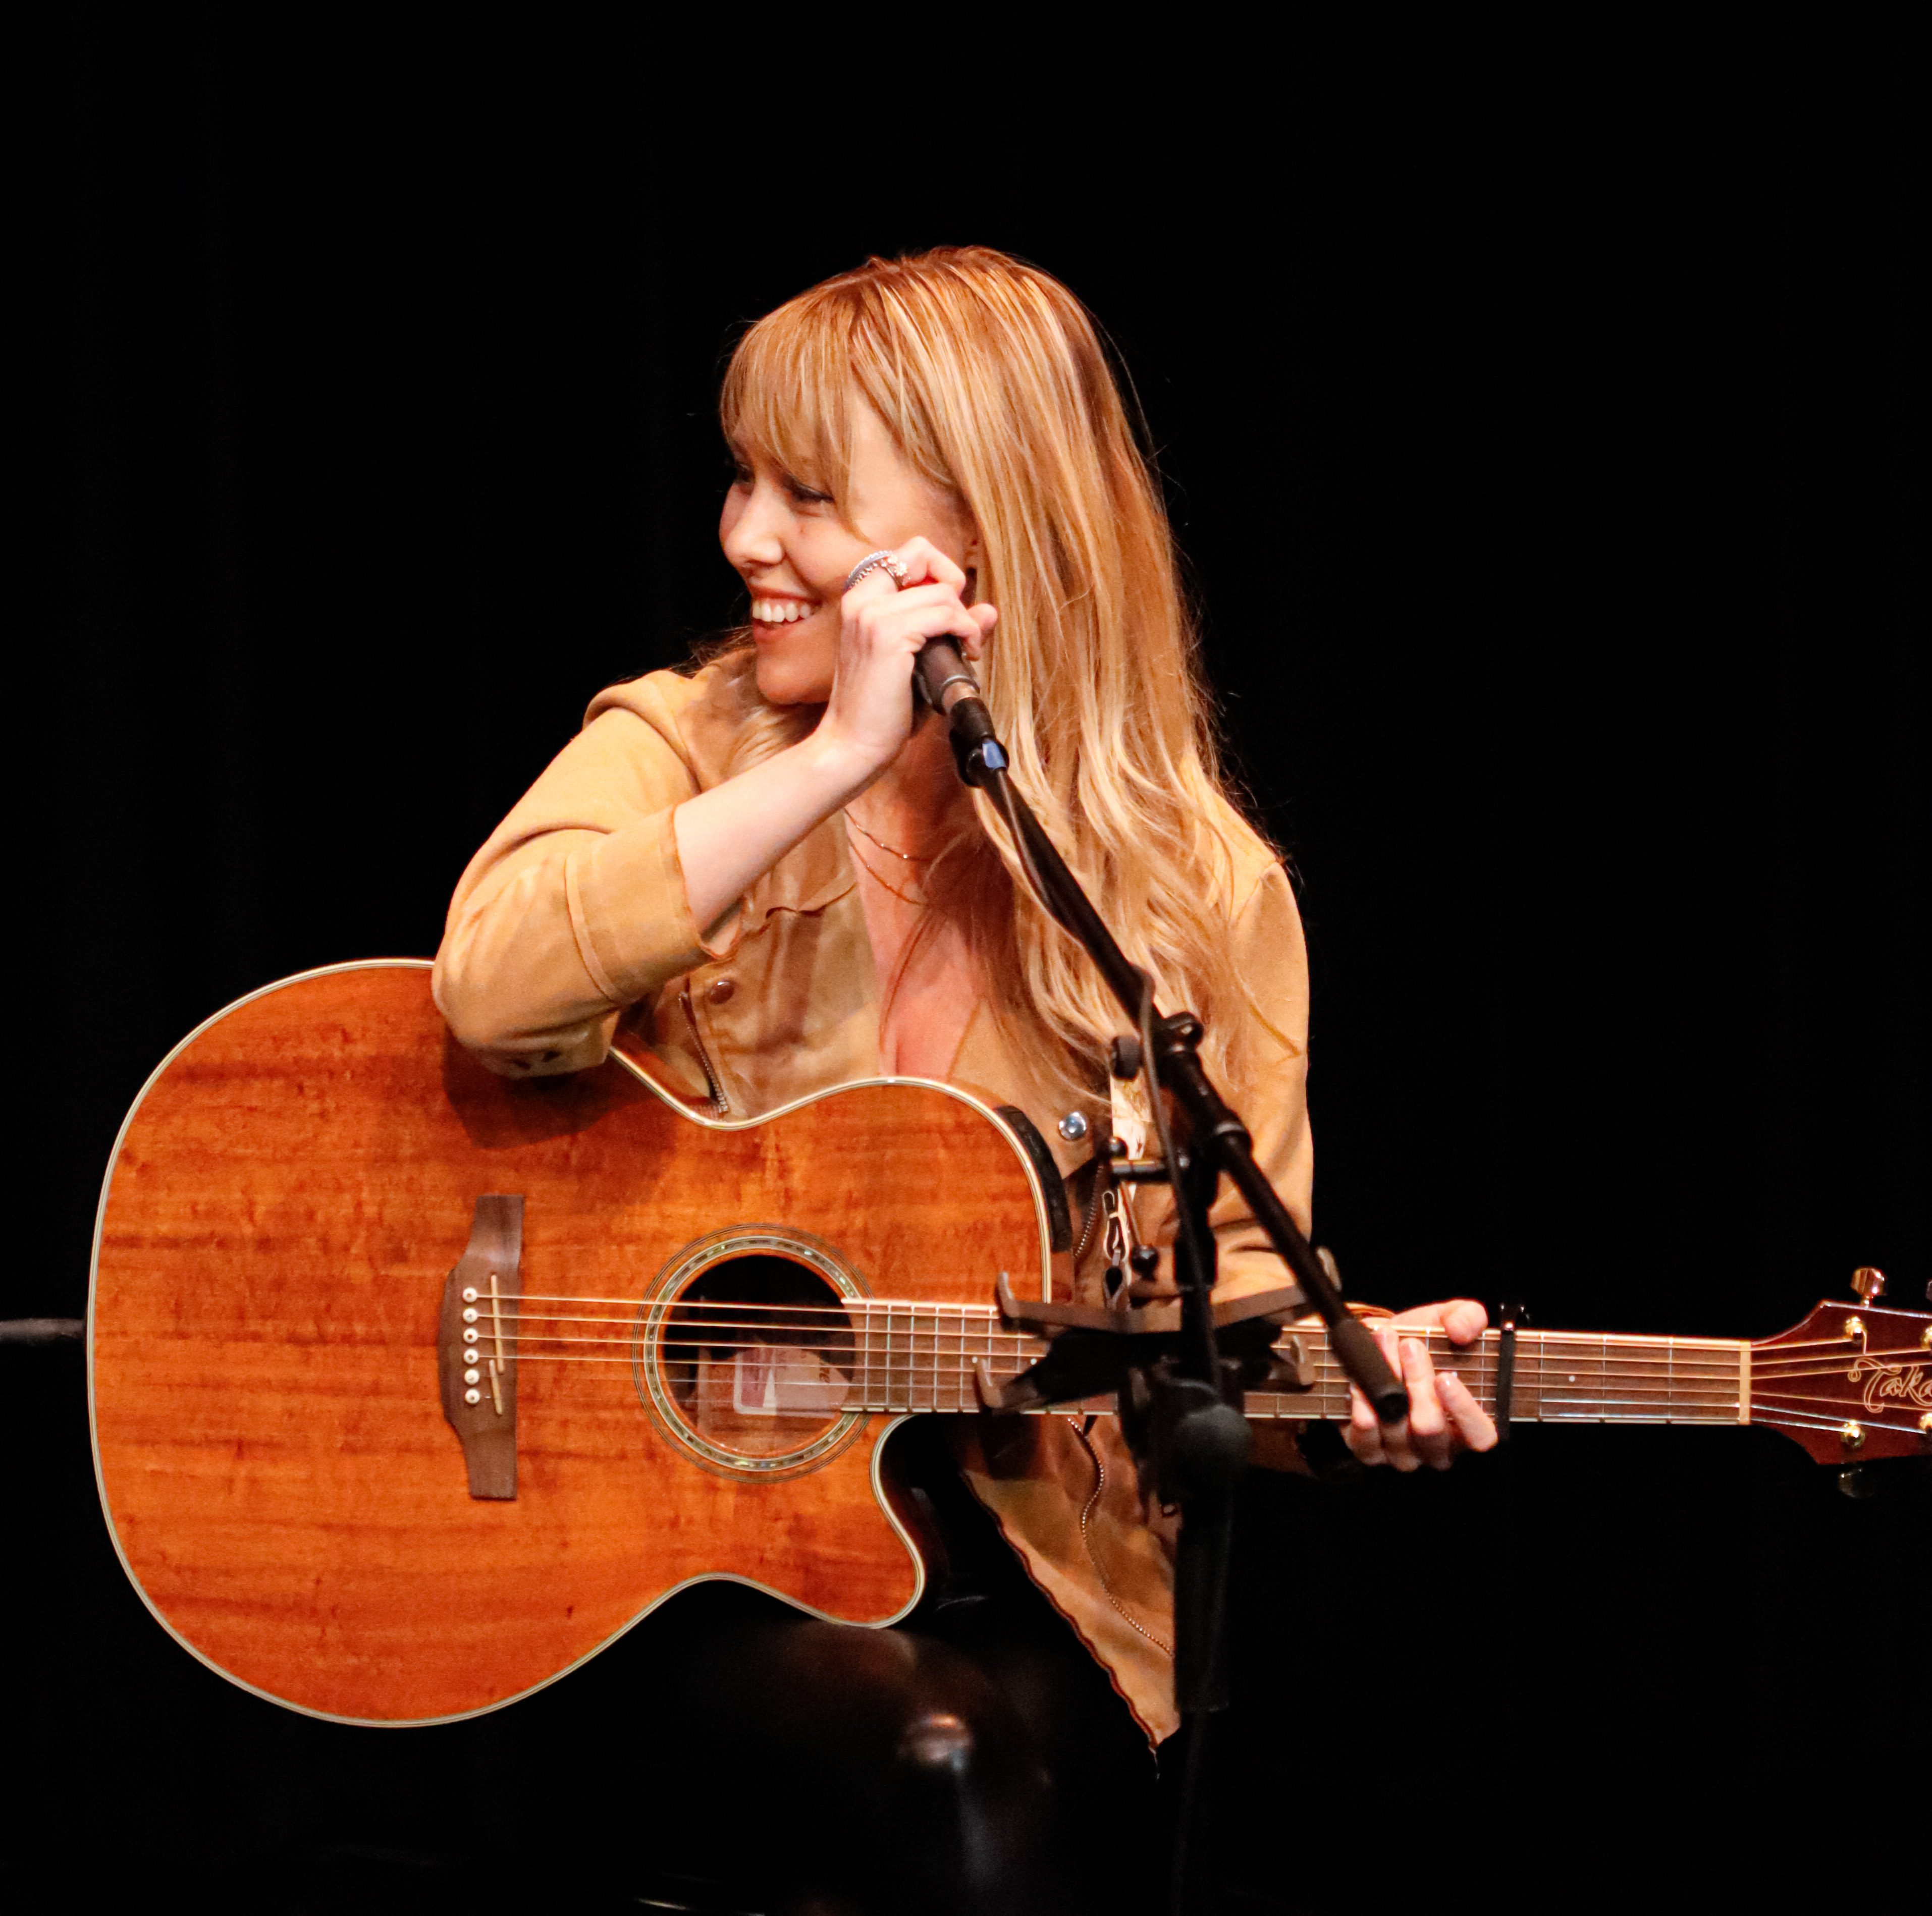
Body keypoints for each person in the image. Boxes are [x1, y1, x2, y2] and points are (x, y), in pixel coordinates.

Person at [433, 247, 1496, 1915]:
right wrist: (839, 758)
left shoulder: (1197, 895)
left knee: (984, 1785)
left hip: (1025, 1574)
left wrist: (1358, 1406)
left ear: (974, 540)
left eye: (805, 496)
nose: (742, 538)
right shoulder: (683, 745)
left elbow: (1223, 1314)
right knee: (938, 1781)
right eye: (742, 478)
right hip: (658, 1556)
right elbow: (491, 985)